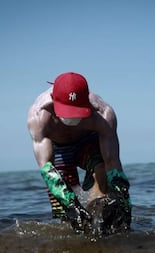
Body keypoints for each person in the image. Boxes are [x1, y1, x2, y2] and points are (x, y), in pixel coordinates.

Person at [27, 72, 131, 234]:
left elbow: (112, 162)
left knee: (102, 172)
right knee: (66, 208)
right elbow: (46, 166)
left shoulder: (103, 113)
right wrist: (69, 203)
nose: (72, 118)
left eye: (77, 111)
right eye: (67, 111)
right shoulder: (39, 117)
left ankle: (99, 225)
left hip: (87, 142)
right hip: (58, 150)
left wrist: (123, 197)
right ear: (53, 101)